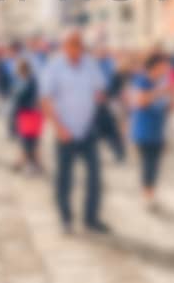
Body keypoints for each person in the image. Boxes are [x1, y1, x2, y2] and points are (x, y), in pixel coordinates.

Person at [39, 31, 111, 235]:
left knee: (95, 177)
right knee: (64, 178)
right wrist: (59, 128)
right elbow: (45, 99)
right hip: (65, 132)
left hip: (87, 130)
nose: (76, 51)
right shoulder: (54, 67)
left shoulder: (90, 64)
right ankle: (65, 219)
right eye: (72, 46)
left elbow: (100, 89)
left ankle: (91, 218)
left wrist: (99, 97)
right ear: (65, 47)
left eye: (79, 47)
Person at [128, 53, 174, 210]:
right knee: (148, 165)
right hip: (144, 130)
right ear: (155, 66)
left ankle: (151, 195)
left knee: (155, 166)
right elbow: (140, 101)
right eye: (163, 65)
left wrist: (173, 97)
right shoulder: (142, 80)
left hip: (158, 130)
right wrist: (160, 92)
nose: (166, 69)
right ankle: (147, 196)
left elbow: (167, 107)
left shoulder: (160, 82)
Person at [10, 58, 44, 175]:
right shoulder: (23, 80)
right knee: (28, 141)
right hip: (28, 114)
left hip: (29, 114)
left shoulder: (29, 81)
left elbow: (30, 99)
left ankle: (30, 164)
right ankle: (25, 162)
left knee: (29, 141)